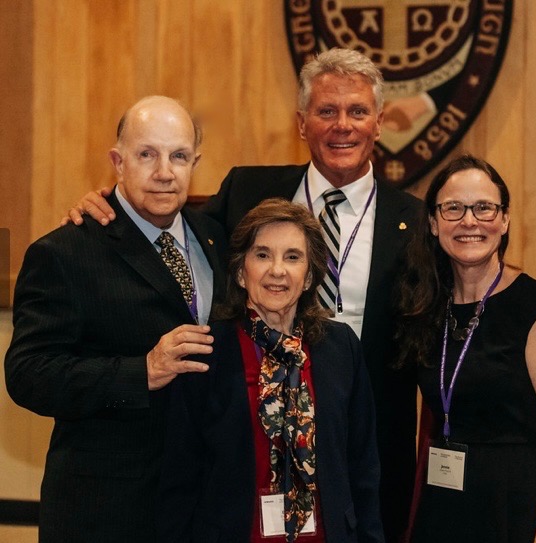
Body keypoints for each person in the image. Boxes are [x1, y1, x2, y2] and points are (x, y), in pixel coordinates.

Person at [66, 48, 421, 541]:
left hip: (360, 445)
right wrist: (112, 200)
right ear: (301, 123)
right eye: (326, 111)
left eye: (358, 111)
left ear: (380, 122)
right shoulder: (246, 191)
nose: (343, 125)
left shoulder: (419, 223)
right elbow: (170, 225)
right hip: (238, 448)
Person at [5, 96, 227, 542]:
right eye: (147, 154)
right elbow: (28, 374)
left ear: (195, 162)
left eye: (178, 156)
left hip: (200, 504)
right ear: (117, 161)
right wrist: (141, 371)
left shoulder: (215, 238)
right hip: (106, 513)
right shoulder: (64, 253)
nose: (164, 171)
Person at [158, 198, 383, 542]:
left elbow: (362, 465)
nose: (277, 270)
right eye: (262, 255)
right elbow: (179, 477)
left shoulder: (340, 347)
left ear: (308, 277)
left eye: (292, 257)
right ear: (239, 272)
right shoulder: (206, 351)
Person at [395, 155, 536, 543]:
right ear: (433, 222)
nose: (469, 221)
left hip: (515, 511)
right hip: (443, 508)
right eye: (453, 208)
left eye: (484, 207)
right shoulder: (427, 307)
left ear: (504, 219)